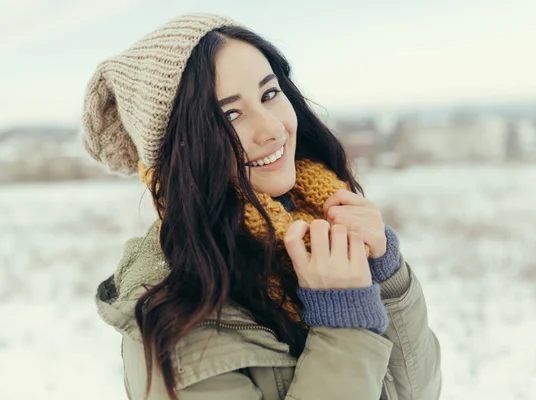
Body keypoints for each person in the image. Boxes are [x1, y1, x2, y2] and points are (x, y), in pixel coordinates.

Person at [82, 13, 442, 400]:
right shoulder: (177, 322)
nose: (272, 128)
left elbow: (417, 392)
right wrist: (344, 324)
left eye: (269, 94)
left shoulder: (319, 222)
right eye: (230, 115)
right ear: (179, 152)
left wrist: (384, 275)